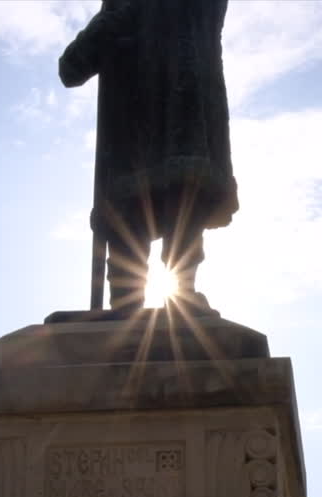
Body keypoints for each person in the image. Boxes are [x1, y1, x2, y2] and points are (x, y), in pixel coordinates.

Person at [60, 0, 238, 314]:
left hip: (182, 130)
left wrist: (118, 20)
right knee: (131, 213)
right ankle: (126, 306)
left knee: (183, 195)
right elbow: (72, 69)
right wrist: (107, 26)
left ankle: (180, 295)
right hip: (134, 138)